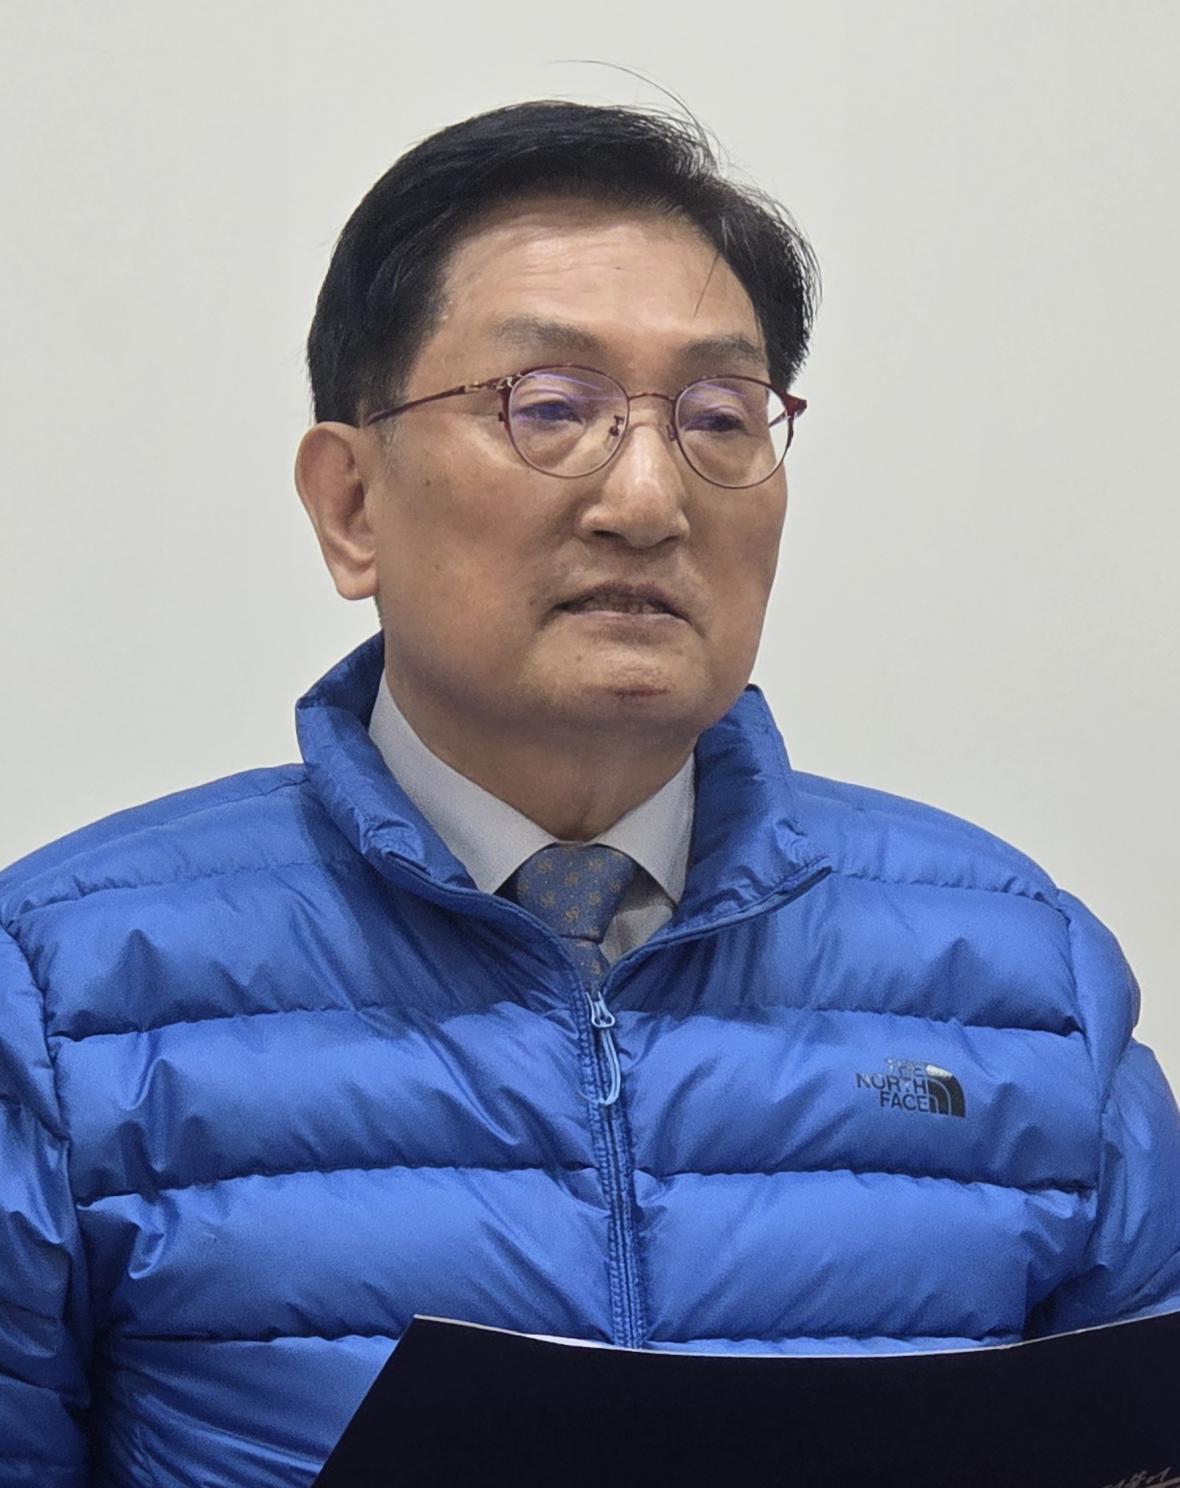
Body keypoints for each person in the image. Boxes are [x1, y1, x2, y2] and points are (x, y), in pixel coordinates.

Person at [1, 98, 1178, 1487]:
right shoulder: (63, 995)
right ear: (352, 505)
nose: (647, 499)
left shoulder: (1023, 982)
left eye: (719, 417)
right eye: (550, 408)